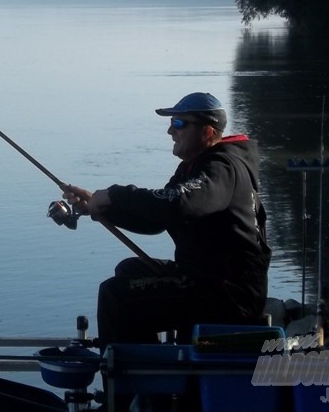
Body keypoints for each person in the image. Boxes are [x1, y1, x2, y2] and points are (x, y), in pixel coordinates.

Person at [64, 92, 270, 348]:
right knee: (130, 270)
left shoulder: (222, 167)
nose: (171, 131)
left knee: (115, 294)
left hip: (228, 293)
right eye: (172, 123)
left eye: (180, 123)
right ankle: (148, 361)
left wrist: (114, 195)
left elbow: (179, 203)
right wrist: (99, 208)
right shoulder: (195, 167)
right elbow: (157, 220)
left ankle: (130, 383)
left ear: (207, 132)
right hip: (206, 278)